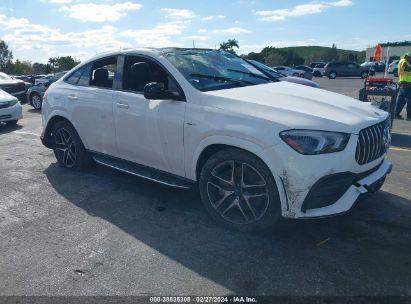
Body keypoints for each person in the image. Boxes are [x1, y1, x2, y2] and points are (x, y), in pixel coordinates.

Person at [395, 52, 411, 120]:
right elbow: (406, 71)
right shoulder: (405, 62)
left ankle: (396, 114)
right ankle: (409, 116)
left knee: (401, 100)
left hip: (402, 83)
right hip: (407, 84)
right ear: (409, 57)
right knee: (410, 101)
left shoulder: (402, 60)